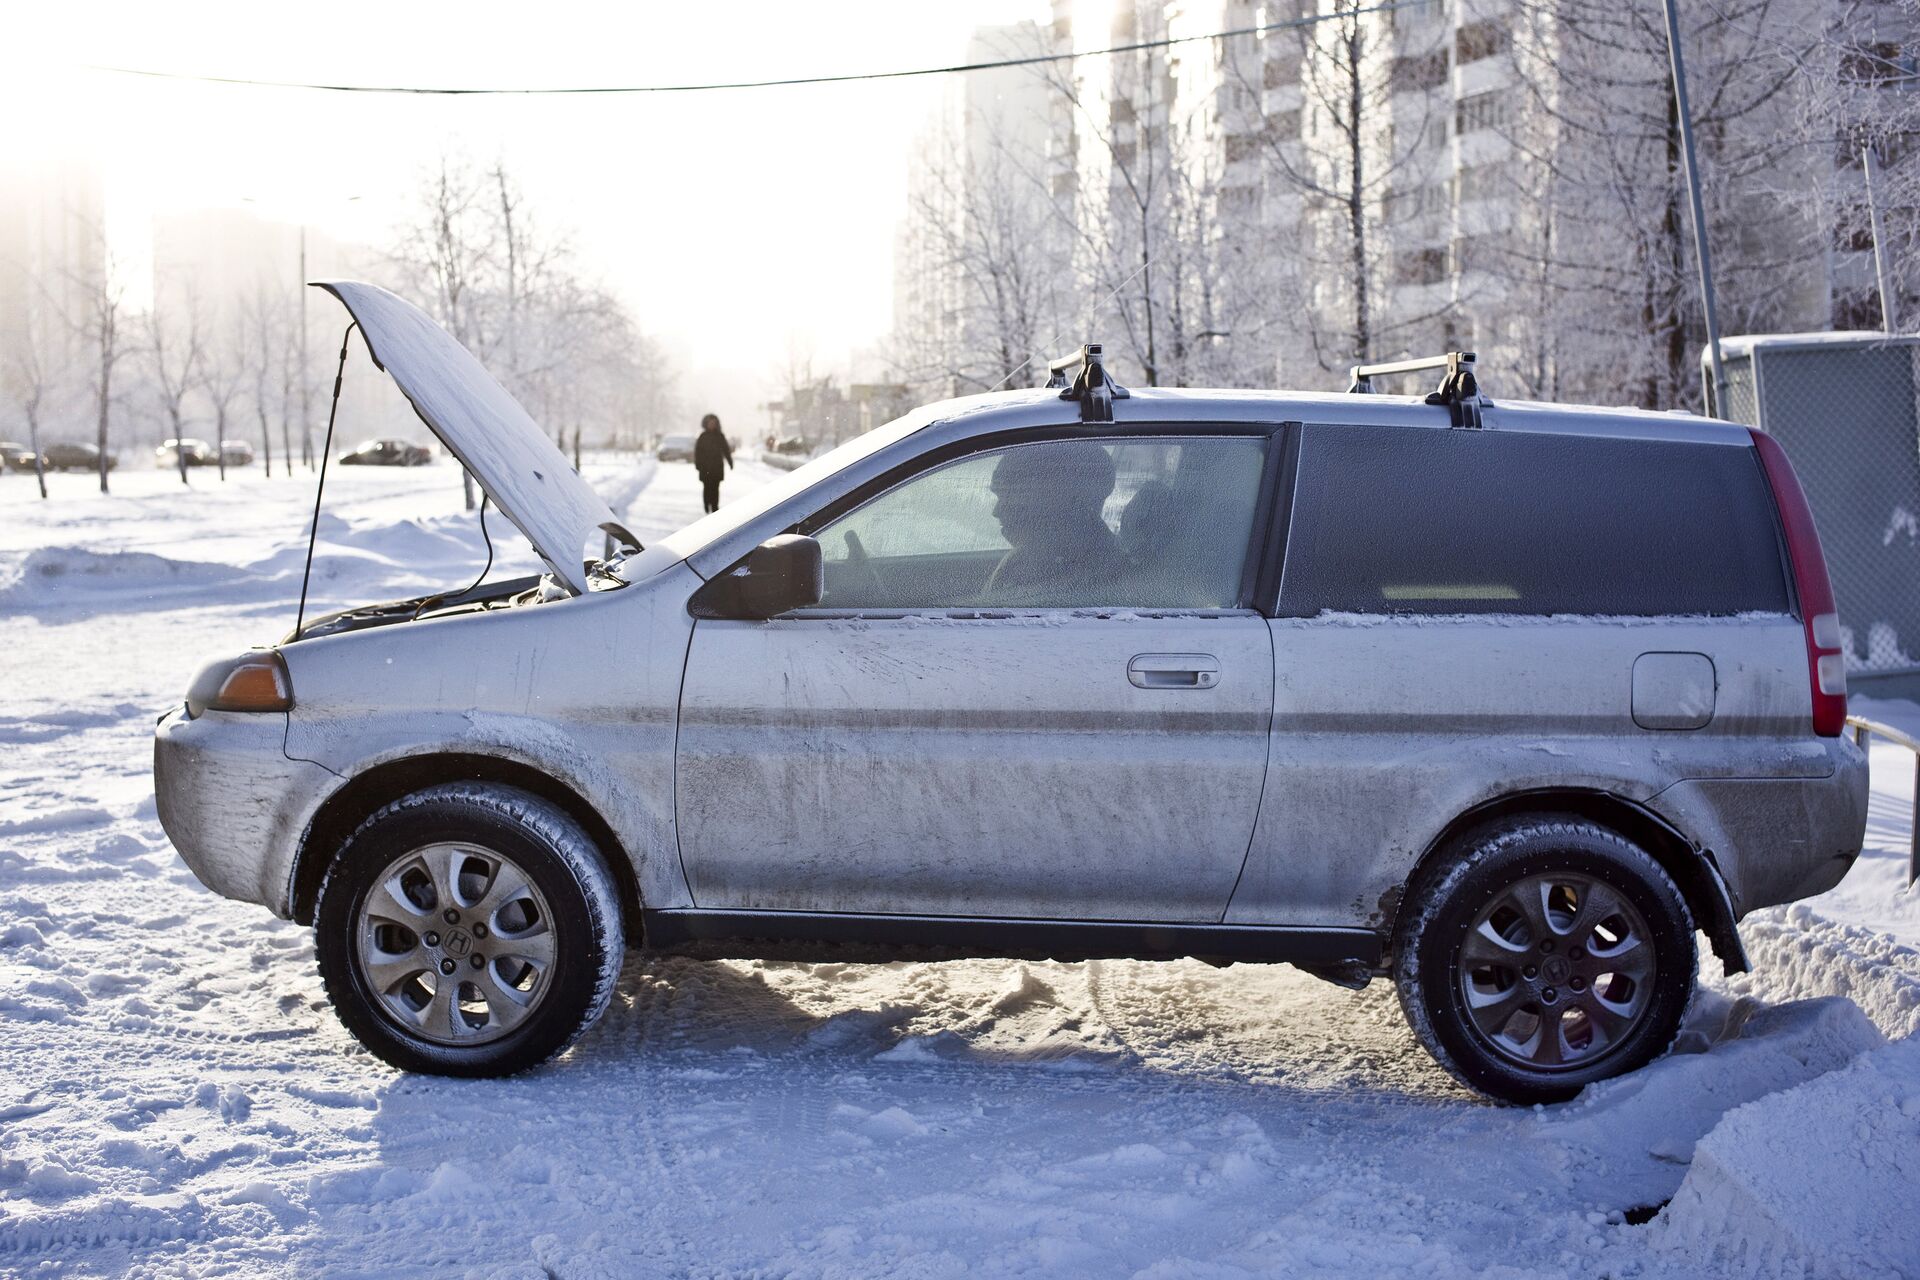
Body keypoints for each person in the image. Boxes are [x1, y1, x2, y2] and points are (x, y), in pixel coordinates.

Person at [981, 443, 1127, 605]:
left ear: (1063, 499)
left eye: (1012, 496)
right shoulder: (1032, 558)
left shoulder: (1097, 580)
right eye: (1000, 496)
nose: (997, 511)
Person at [694, 412, 734, 513]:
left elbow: (726, 450)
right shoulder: (703, 436)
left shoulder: (720, 436)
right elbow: (697, 452)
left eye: (714, 423)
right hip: (705, 467)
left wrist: (730, 462)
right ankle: (707, 504)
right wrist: (698, 464)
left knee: (715, 488)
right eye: (710, 423)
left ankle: (715, 506)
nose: (712, 425)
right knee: (707, 487)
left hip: (717, 467)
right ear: (706, 424)